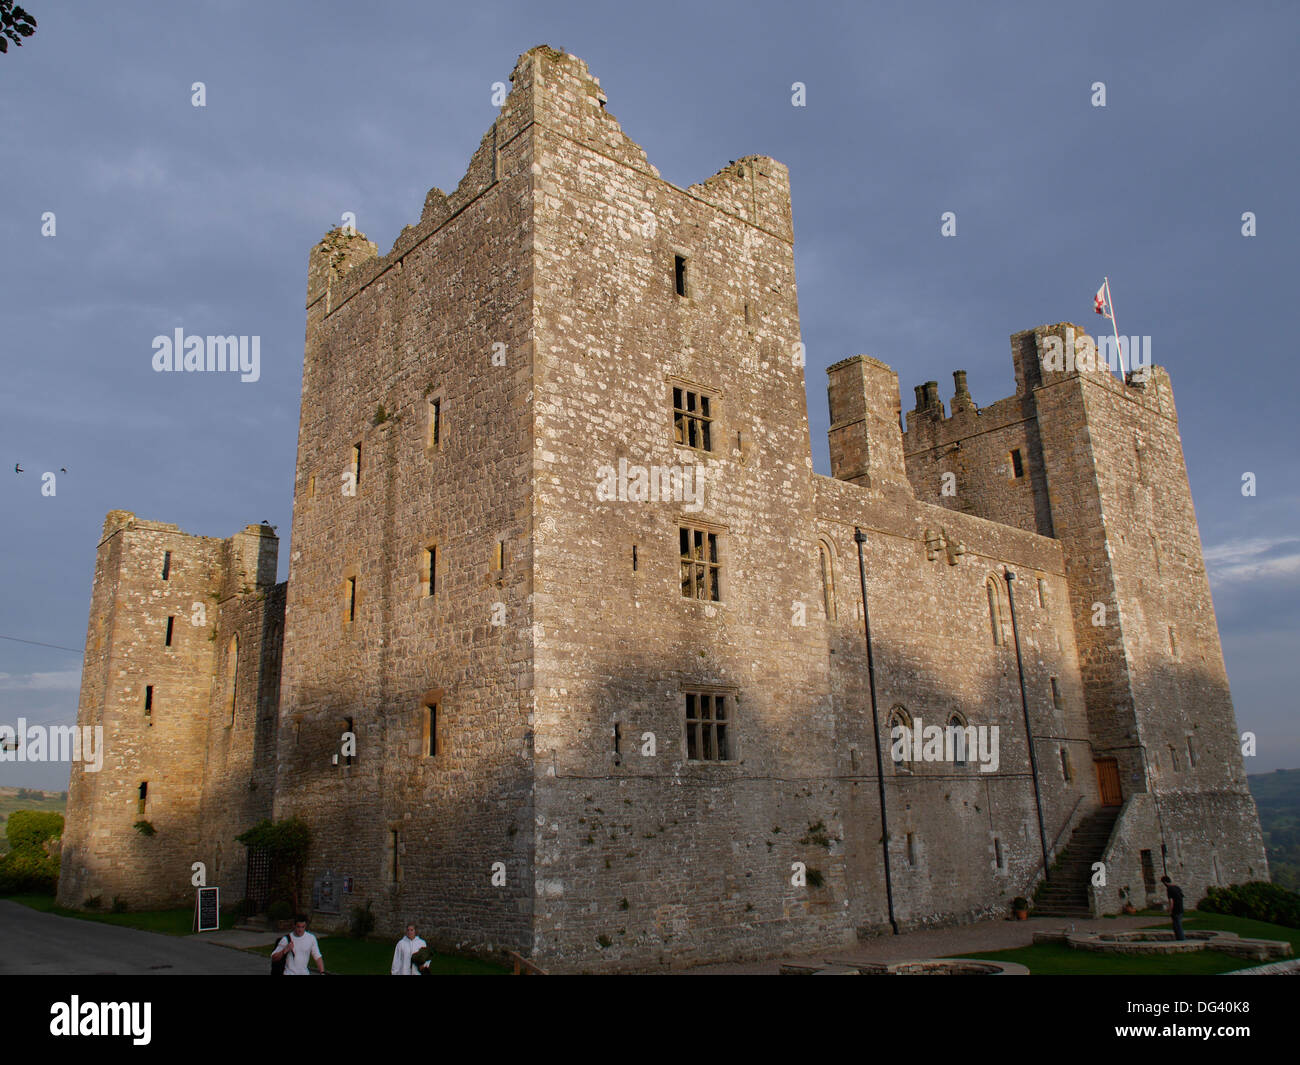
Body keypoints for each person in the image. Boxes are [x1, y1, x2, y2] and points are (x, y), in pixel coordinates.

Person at [1161, 876, 1185, 940]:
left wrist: (1170, 910)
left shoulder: (1169, 889)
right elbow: (1182, 897)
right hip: (1181, 908)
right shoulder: (1177, 887)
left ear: (1165, 882)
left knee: (1177, 926)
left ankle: (1181, 939)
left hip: (1175, 909)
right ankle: (1179, 938)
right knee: (1176, 925)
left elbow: (1171, 901)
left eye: (1163, 883)